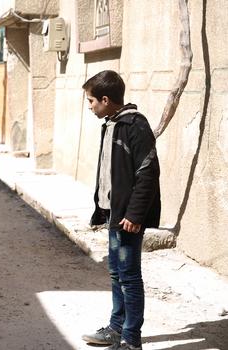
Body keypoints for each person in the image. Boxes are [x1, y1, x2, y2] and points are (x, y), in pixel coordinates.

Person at [80, 70, 161, 350]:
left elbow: (148, 173)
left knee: (129, 275)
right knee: (116, 272)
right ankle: (116, 328)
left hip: (129, 218)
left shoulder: (134, 125)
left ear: (105, 99)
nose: (89, 106)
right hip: (116, 216)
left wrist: (135, 215)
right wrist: (102, 209)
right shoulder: (112, 123)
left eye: (91, 101)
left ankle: (130, 339)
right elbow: (111, 173)